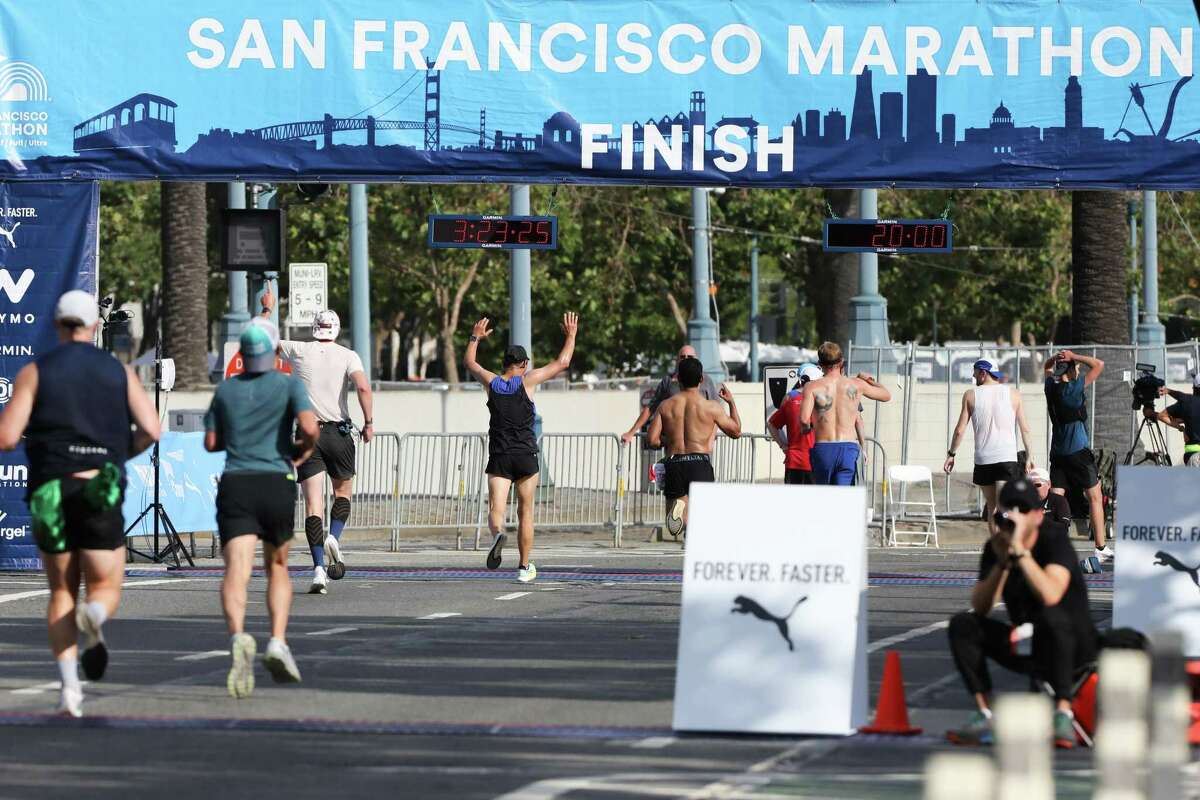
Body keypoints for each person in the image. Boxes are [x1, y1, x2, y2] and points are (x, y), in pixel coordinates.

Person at [0, 290, 160, 717]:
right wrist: (117, 454)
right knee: (105, 585)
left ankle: (70, 691)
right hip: (97, 488)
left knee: (61, 591)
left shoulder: (35, 371)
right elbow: (151, 428)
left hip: (51, 489)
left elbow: (7, 437)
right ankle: (96, 614)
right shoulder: (118, 372)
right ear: (94, 326)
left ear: (57, 324)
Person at [204, 318, 319, 698]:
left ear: (242, 354)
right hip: (275, 481)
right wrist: (302, 450)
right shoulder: (288, 384)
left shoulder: (226, 389)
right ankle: (277, 641)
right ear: (273, 352)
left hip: (237, 482)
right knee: (277, 567)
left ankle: (238, 636)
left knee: (236, 568)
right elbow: (310, 427)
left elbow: (210, 442)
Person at [946, 479, 1098, 750]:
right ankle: (986, 713)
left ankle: (1063, 713)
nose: (1015, 515)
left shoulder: (1054, 540)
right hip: (1029, 641)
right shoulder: (997, 546)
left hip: (1072, 644)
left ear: (1038, 515)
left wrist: (1022, 554)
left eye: (1023, 509)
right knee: (963, 625)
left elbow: (1051, 594)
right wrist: (1003, 564)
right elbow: (981, 606)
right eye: (1010, 508)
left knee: (1051, 616)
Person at [259, 291, 373, 596]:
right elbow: (363, 387)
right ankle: (334, 536)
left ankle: (319, 570)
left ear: (314, 328)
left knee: (312, 505)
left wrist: (267, 310)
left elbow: (262, 339)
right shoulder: (348, 355)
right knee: (343, 492)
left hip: (307, 433)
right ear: (336, 329)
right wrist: (369, 422)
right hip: (339, 433)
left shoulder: (299, 350)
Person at [466, 313, 578, 583]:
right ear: (524, 364)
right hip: (526, 455)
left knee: (496, 508)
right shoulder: (528, 381)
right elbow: (563, 362)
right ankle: (525, 567)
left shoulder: (492, 383)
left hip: (500, 456)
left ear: (504, 363)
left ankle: (498, 534)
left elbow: (470, 363)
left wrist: (475, 337)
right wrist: (571, 335)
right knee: (525, 511)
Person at [647, 356, 741, 534]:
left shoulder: (666, 406)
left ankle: (682, 518)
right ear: (701, 379)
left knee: (678, 521)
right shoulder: (710, 406)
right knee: (704, 516)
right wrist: (731, 402)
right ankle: (693, 532)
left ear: (678, 379)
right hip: (699, 462)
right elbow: (736, 432)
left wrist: (670, 441)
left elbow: (651, 440)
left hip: (674, 462)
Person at [944, 359, 1036, 537]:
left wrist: (951, 454)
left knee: (992, 507)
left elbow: (959, 430)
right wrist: (1030, 456)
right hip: (1006, 458)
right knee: (1005, 507)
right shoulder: (1014, 394)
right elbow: (1025, 428)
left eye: (975, 373)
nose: (973, 377)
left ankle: (997, 545)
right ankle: (1009, 545)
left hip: (984, 459)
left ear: (983, 373)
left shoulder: (970, 395)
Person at [1043, 350, 1112, 561]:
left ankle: (1051, 547)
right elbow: (1099, 364)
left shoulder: (1050, 387)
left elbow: (1046, 367)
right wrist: (1074, 356)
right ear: (1072, 371)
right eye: (1077, 368)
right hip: (1078, 453)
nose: (1079, 371)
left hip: (1058, 454)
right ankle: (1100, 547)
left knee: (1056, 499)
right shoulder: (1073, 389)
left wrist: (1056, 358)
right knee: (1095, 497)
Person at [800, 342, 891, 486]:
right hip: (848, 449)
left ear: (820, 364)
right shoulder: (856, 384)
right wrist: (868, 379)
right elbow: (886, 395)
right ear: (841, 362)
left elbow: (804, 419)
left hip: (824, 448)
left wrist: (806, 429)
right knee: (843, 496)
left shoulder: (811, 387)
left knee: (823, 496)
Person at [621, 345, 720, 445]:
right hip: (675, 446)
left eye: (690, 357)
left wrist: (711, 439)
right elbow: (651, 408)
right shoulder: (668, 381)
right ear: (677, 360)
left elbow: (718, 412)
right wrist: (631, 432)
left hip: (699, 445)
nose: (686, 359)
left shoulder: (707, 380)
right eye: (682, 357)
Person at [767, 363, 823, 484]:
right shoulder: (822, 401)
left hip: (794, 461)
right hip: (815, 461)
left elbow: (771, 424)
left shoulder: (790, 400)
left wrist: (783, 445)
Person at [1145, 381, 1200, 467]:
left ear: (1195, 388)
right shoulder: (1188, 401)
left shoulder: (1188, 402)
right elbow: (1182, 396)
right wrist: (1169, 391)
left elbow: (1162, 416)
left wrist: (1180, 428)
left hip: (1195, 457)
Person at [1028, 467, 1072, 537]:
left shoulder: (1059, 501)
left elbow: (1064, 527)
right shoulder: (1023, 501)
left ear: (1048, 484)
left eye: (1037, 485)